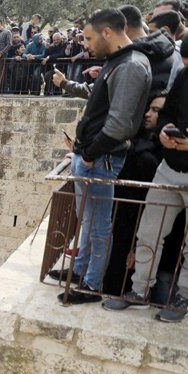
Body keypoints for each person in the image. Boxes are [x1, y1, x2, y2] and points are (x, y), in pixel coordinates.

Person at [52, 8, 152, 304]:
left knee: (98, 226)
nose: (85, 44)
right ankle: (81, 271)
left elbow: (120, 124)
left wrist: (91, 154)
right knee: (89, 221)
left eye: (88, 37)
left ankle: (92, 285)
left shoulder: (131, 65)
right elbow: (97, 95)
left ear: (107, 32)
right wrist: (66, 85)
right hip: (92, 156)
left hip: (101, 159)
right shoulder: (117, 62)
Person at [103, 44, 188, 319]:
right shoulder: (184, 77)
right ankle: (139, 290)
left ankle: (183, 297)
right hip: (169, 167)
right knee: (149, 232)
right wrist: (164, 130)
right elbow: (168, 111)